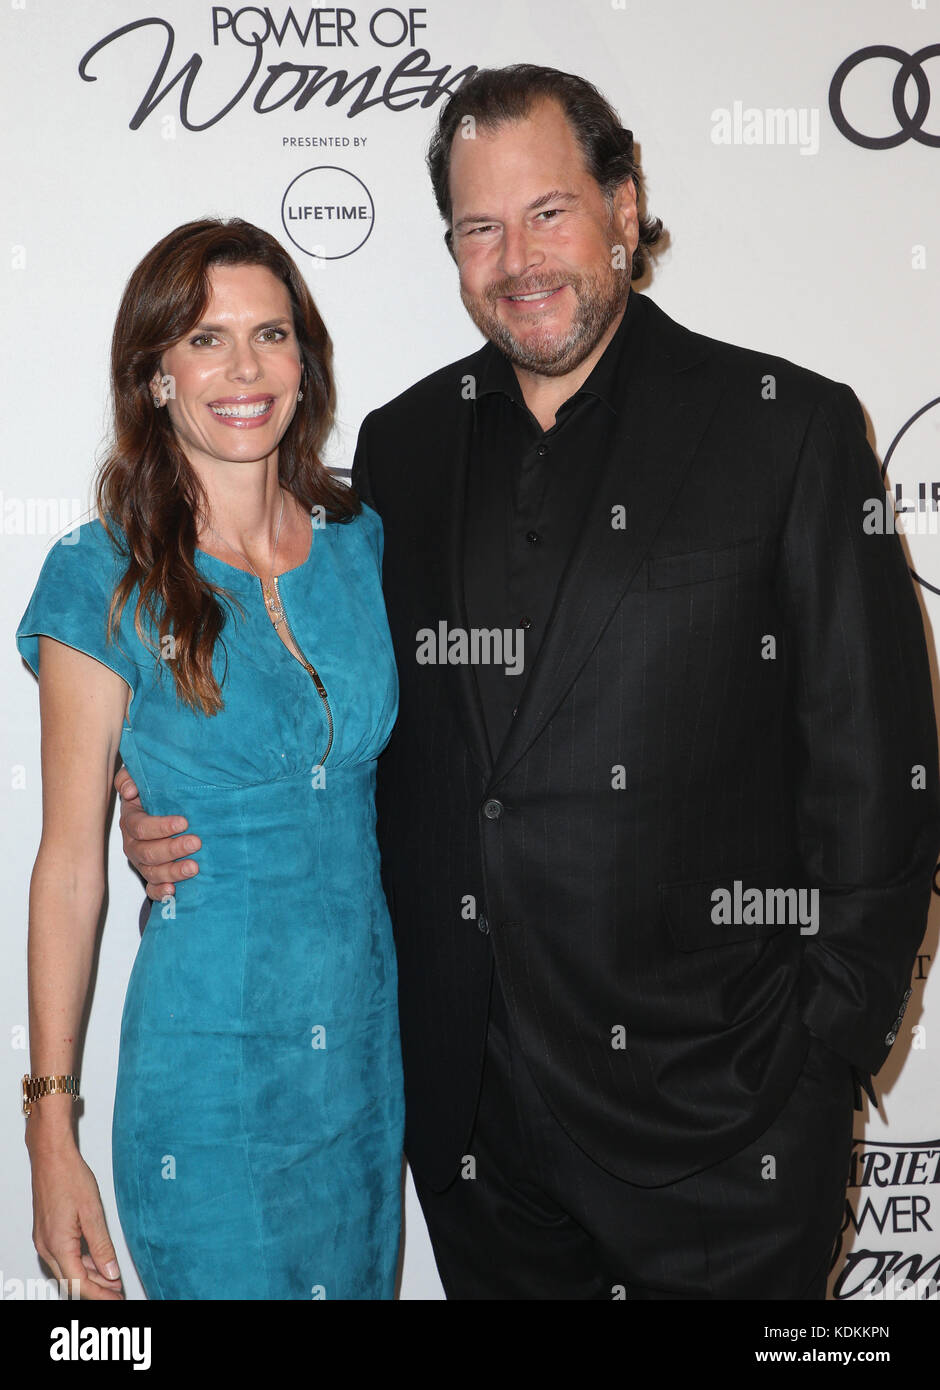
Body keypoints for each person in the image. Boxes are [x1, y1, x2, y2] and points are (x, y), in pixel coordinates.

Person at [117, 67, 940, 1299]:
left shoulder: (787, 429)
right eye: (478, 229)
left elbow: (881, 775)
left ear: (622, 203)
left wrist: (824, 1058)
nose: (518, 260)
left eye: (548, 212)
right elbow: (339, 711)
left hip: (724, 1124)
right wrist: (173, 802)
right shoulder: (403, 447)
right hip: (478, 1134)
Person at [16, 218, 404, 1301]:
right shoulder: (99, 576)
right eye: (204, 338)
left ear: (303, 360)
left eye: (270, 334)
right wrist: (51, 1134)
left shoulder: (363, 541)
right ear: (154, 376)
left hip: (364, 1065)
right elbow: (71, 866)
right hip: (209, 1073)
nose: (244, 369)